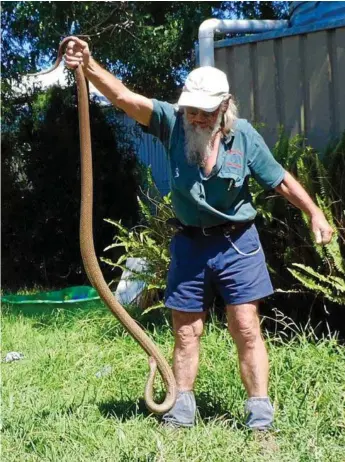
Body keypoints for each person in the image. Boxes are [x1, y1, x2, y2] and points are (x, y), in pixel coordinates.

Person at [64, 37, 333, 431]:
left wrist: (315, 213)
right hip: (189, 243)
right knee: (186, 330)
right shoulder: (170, 123)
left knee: (245, 326)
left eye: (205, 112)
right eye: (191, 110)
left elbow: (281, 182)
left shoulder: (244, 138)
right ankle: (180, 410)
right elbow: (121, 96)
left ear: (224, 107)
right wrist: (88, 64)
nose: (195, 119)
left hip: (237, 244)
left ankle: (260, 416)